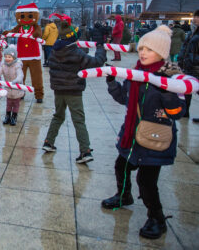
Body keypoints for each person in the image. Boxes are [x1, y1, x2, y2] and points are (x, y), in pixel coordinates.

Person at [103, 25, 185, 240]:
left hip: (153, 138)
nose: (143, 53)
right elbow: (124, 98)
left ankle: (156, 218)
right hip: (132, 133)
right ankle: (124, 196)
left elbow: (178, 113)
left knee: (147, 181)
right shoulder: (136, 73)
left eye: (149, 50)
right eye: (141, 49)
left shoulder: (172, 78)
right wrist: (112, 83)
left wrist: (167, 91)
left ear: (161, 53)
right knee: (121, 165)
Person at [42, 20, 106, 163]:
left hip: (58, 90)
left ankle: (48, 142)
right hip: (73, 90)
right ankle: (85, 150)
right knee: (78, 120)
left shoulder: (54, 50)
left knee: (58, 116)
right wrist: (101, 48)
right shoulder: (76, 52)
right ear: (72, 37)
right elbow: (96, 62)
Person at [0, 45, 24, 126]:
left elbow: (20, 75)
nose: (7, 58)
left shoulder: (17, 65)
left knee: (15, 104)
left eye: (9, 57)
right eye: (6, 57)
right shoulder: (3, 65)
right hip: (8, 88)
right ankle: (7, 116)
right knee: (8, 104)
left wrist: (17, 80)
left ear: (14, 58)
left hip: (16, 88)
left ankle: (14, 117)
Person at [178, 9, 199, 120]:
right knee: (187, 89)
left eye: (197, 17)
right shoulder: (192, 31)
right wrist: (181, 60)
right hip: (188, 65)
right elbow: (186, 48)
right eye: (195, 16)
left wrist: (193, 60)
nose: (195, 19)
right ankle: (185, 112)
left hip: (195, 66)